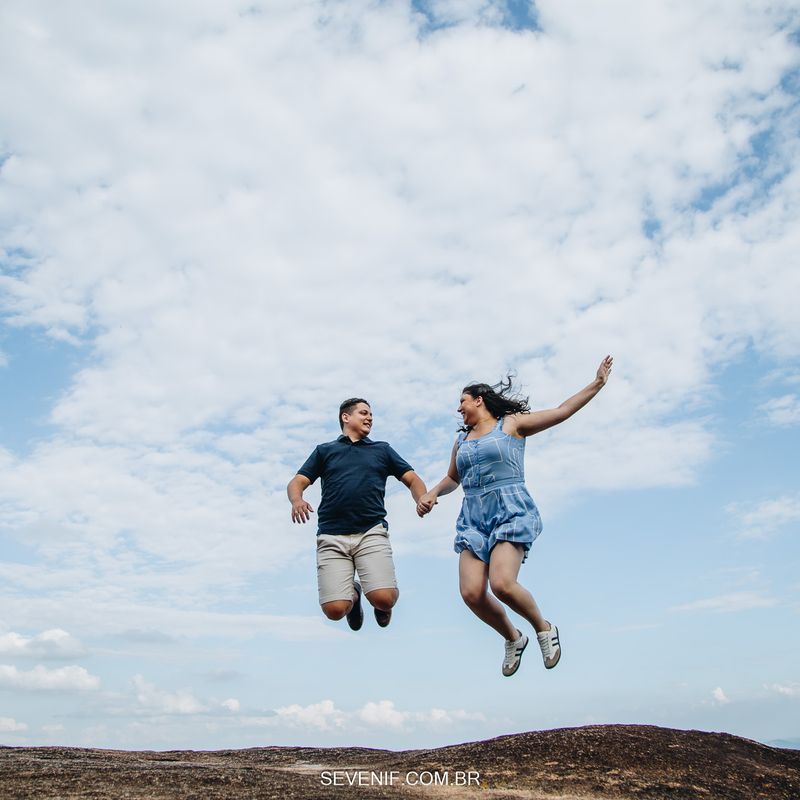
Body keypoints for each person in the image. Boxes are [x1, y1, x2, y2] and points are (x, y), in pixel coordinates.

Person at [416, 356, 613, 676]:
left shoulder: (512, 425)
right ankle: (513, 637)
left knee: (503, 584)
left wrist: (597, 383)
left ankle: (543, 628)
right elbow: (453, 478)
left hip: (509, 510)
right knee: (470, 593)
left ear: (478, 400)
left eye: (462, 402)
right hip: (474, 518)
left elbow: (561, 411)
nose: (458, 409)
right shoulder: (461, 441)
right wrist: (432, 494)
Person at [288, 397, 427, 631]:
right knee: (334, 611)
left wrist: (421, 498)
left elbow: (412, 478)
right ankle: (353, 595)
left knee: (384, 598)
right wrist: (297, 500)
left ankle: (382, 606)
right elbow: (298, 481)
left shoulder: (381, 450)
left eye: (371, 414)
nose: (369, 418)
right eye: (364, 413)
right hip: (332, 537)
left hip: (370, 532)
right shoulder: (325, 451)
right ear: (346, 417)